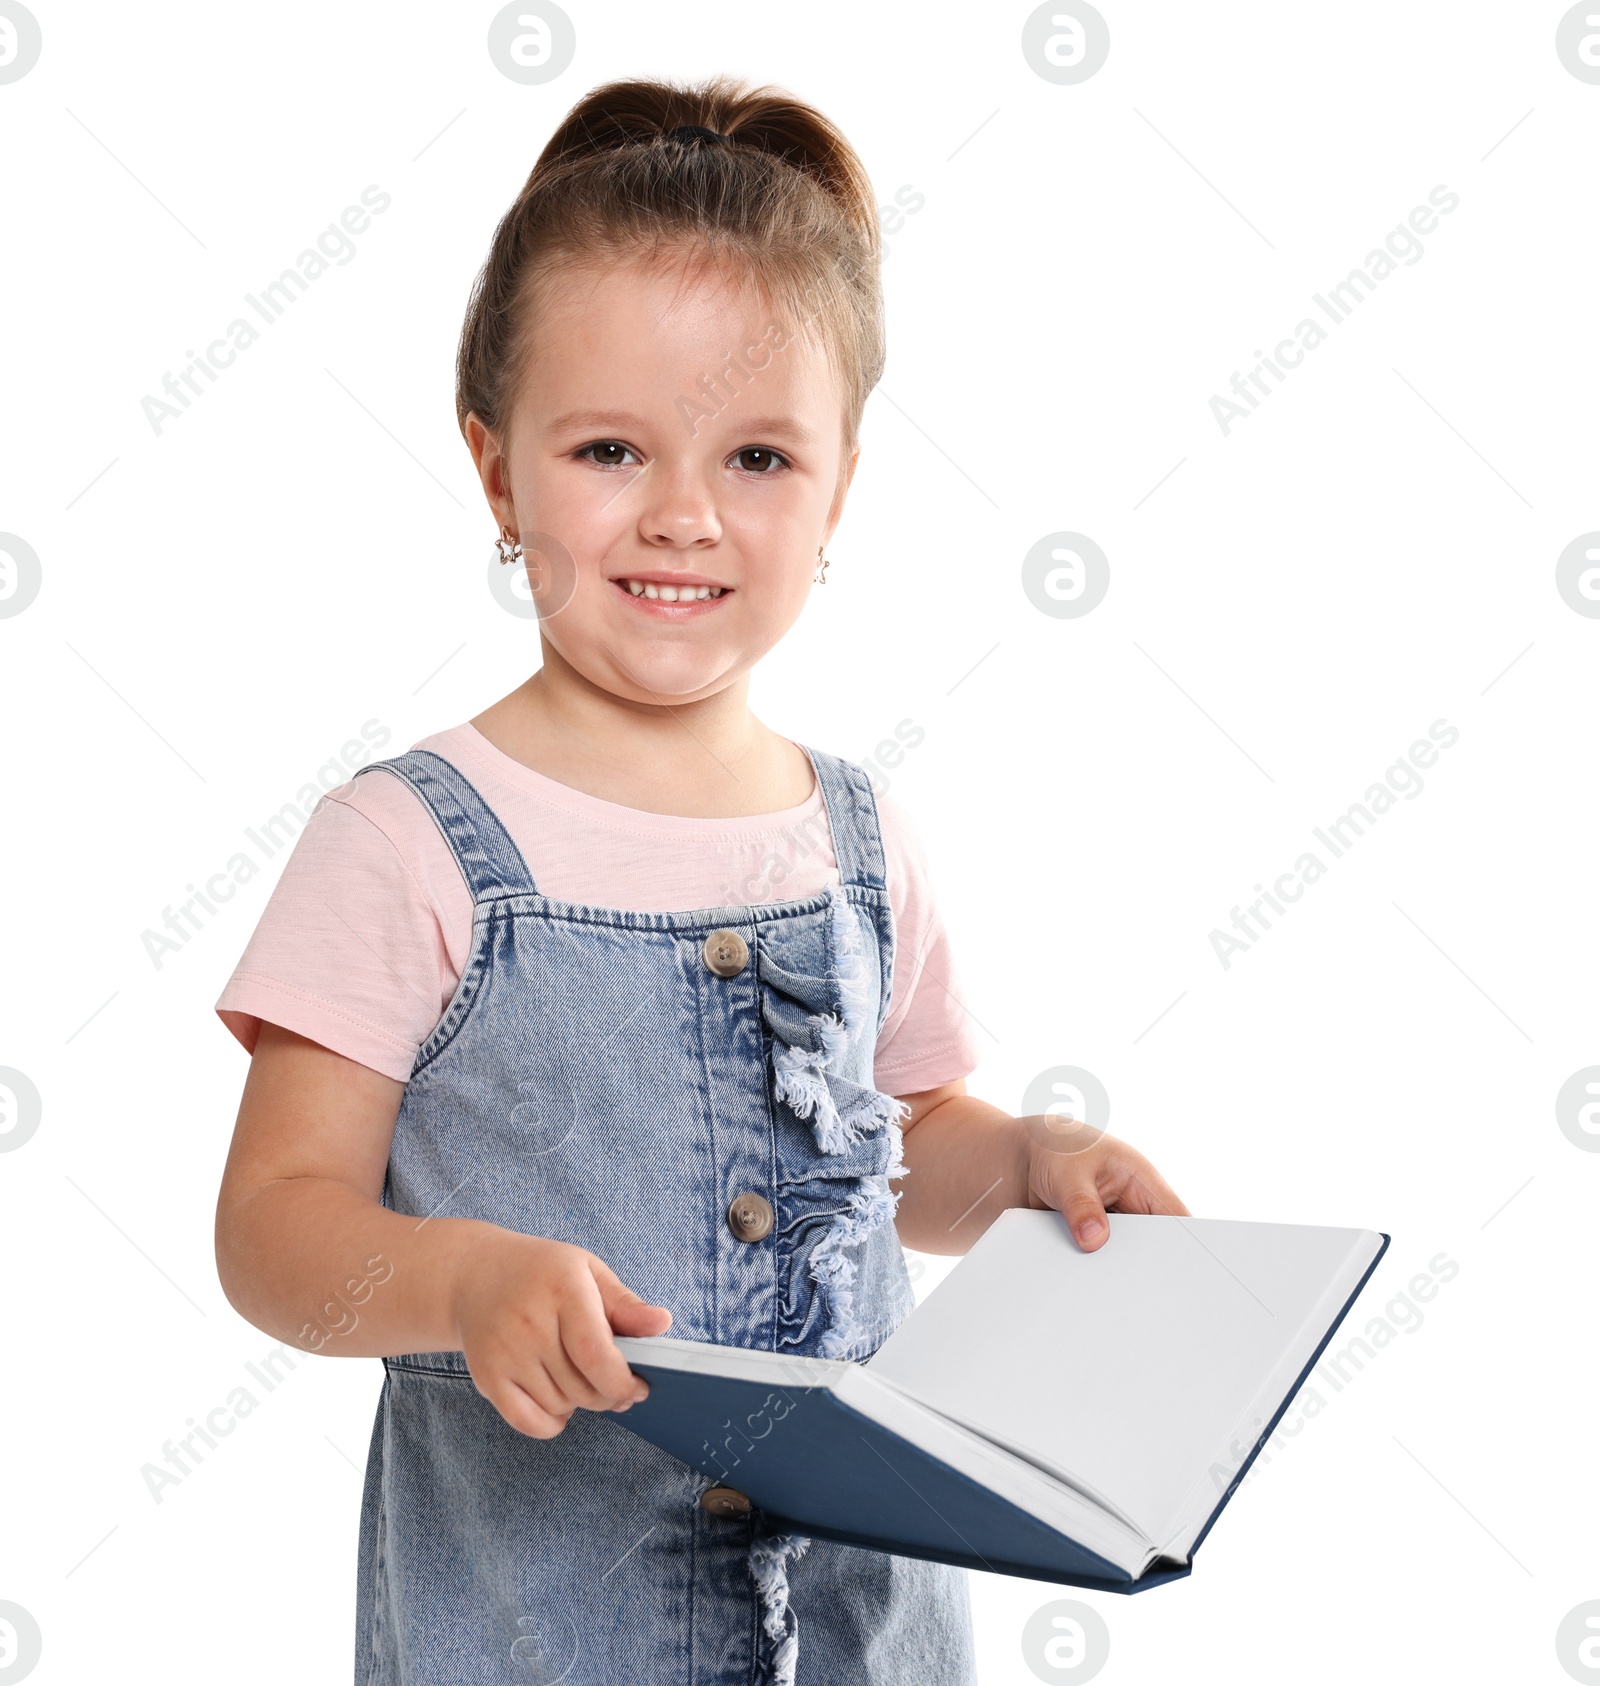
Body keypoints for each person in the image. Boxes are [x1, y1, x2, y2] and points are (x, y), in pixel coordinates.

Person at [212, 73, 1189, 1686]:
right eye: (609, 447)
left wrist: (1020, 1160)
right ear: (496, 470)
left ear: (842, 489)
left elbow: (897, 1154)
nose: (682, 514)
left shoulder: (861, 838)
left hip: (867, 1640)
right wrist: (458, 1277)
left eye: (756, 456)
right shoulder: (408, 843)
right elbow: (272, 1230)